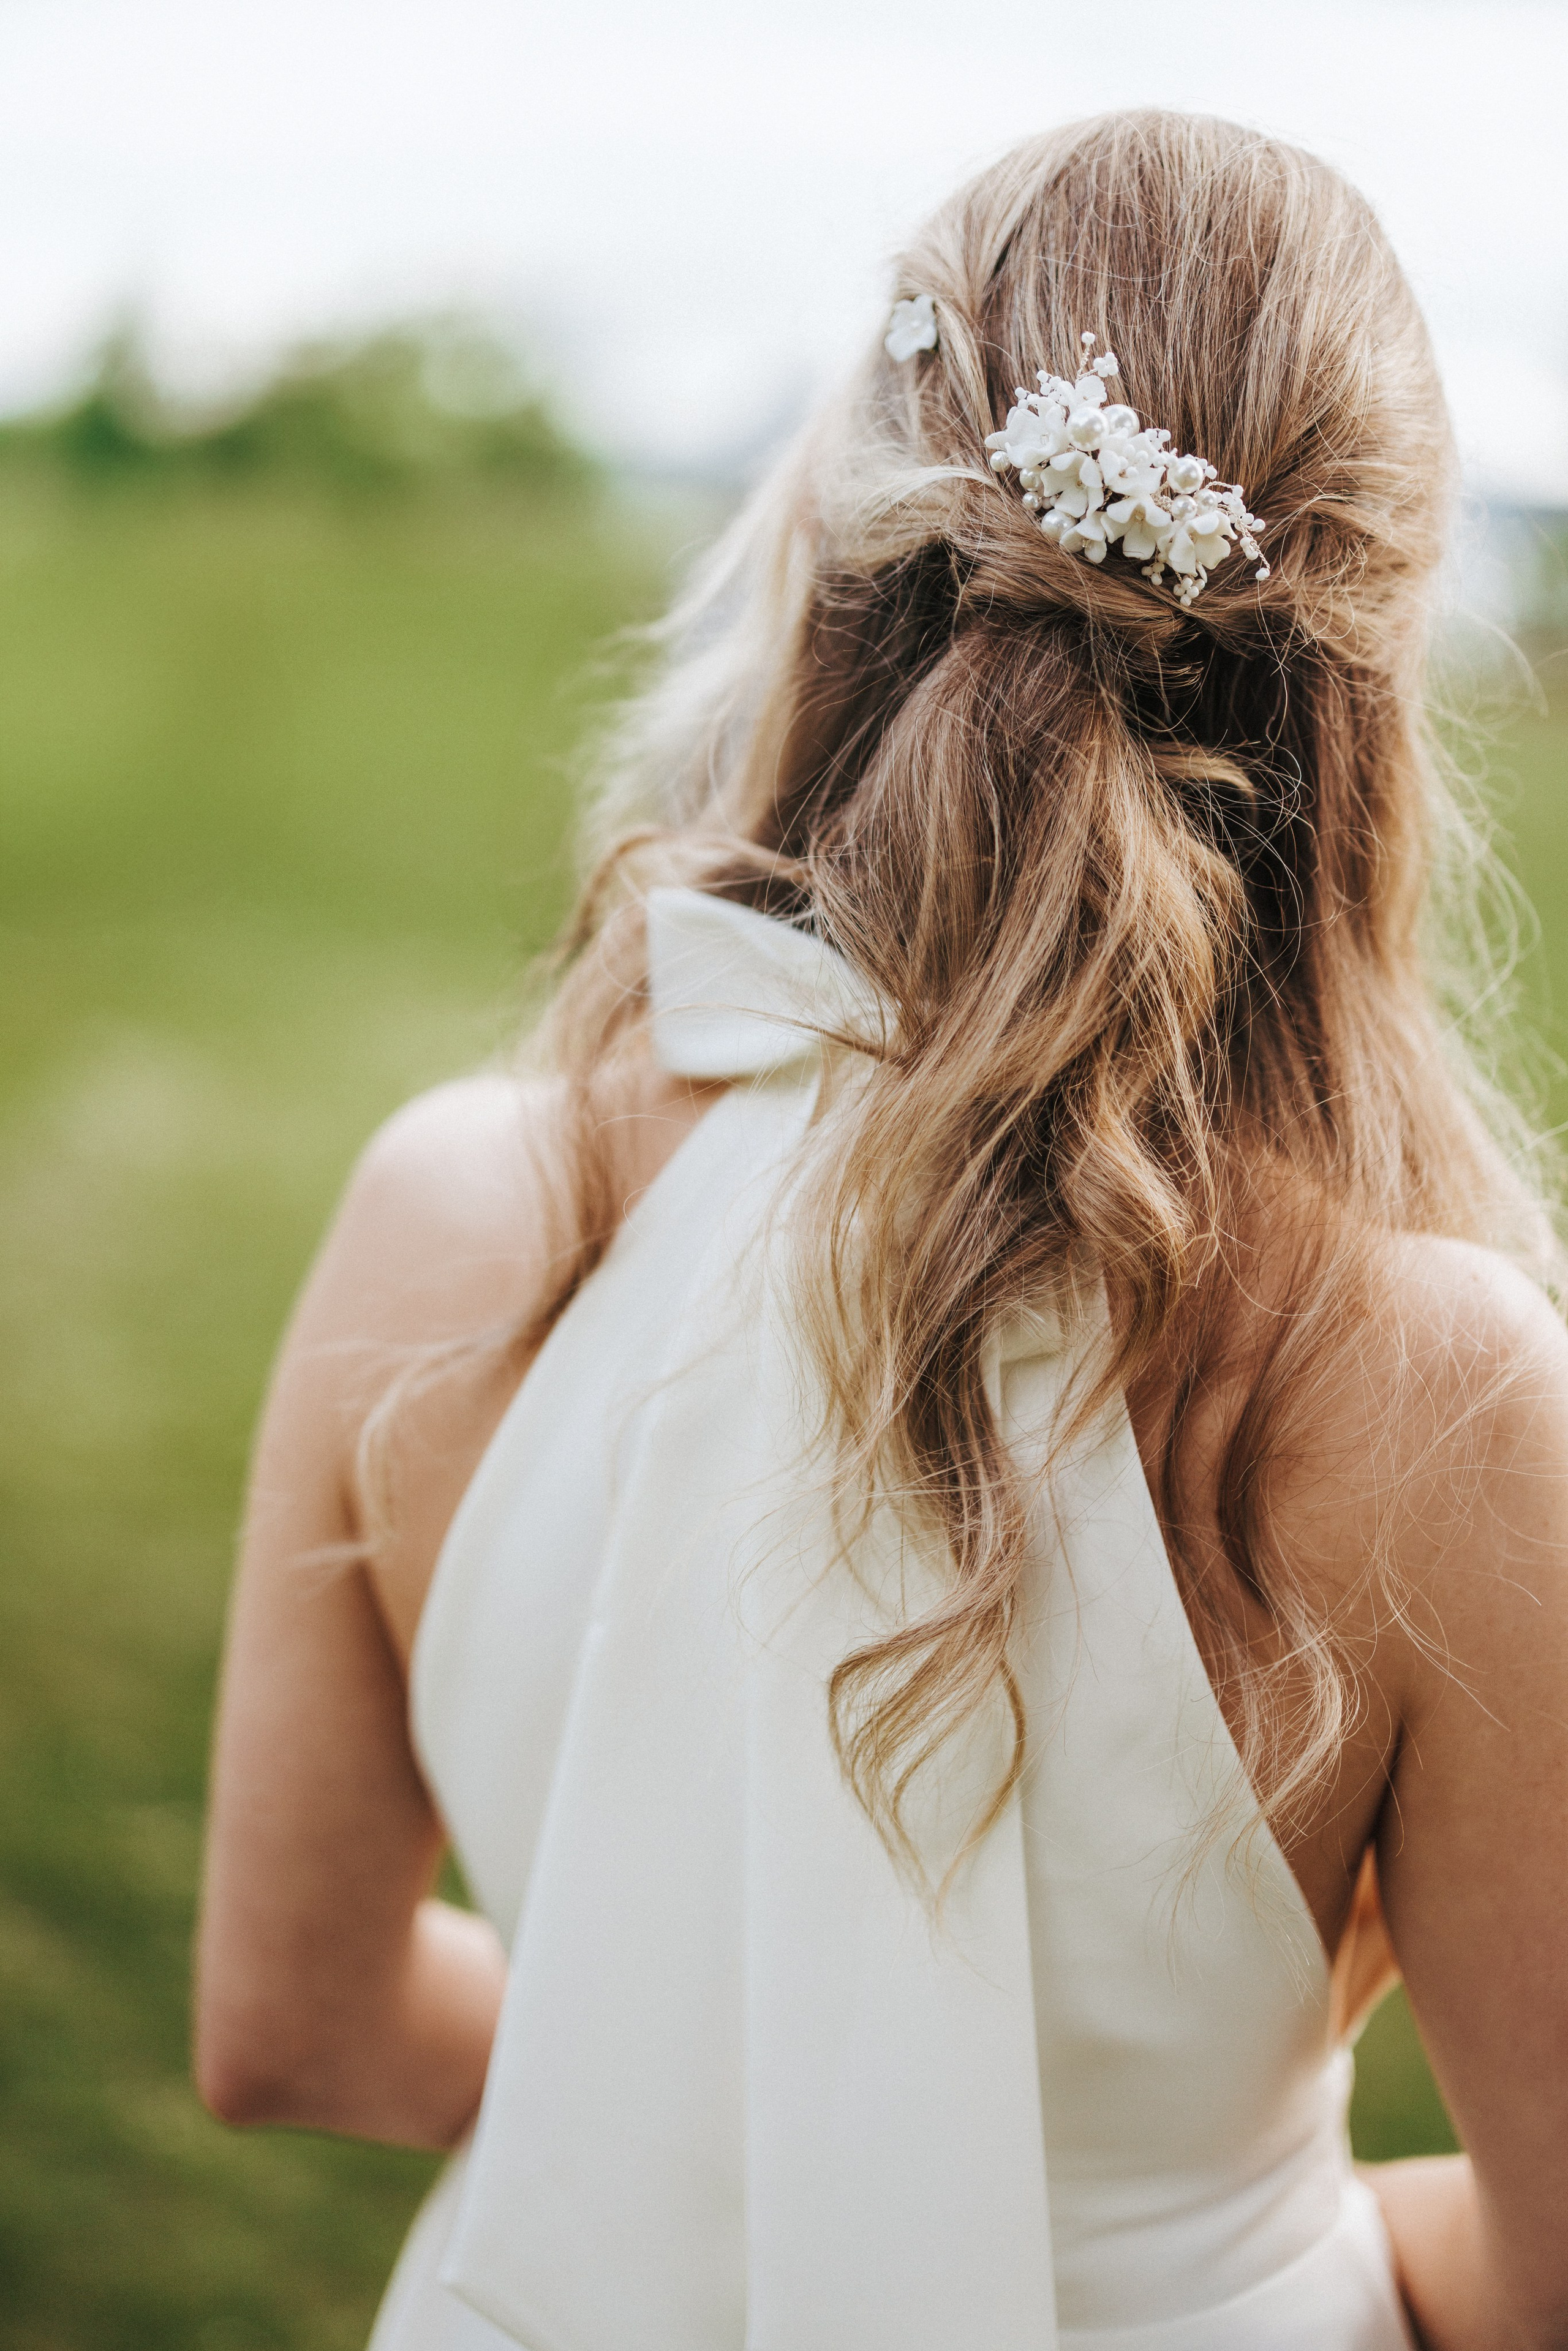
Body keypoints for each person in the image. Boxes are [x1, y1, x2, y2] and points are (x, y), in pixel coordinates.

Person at [195, 110, 1568, 2350]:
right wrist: (1271, 2266)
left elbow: (295, 2029)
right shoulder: (1435, 1389)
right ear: (1374, 679)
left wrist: (675, 2135)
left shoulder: (456, 1217)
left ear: (841, 534)